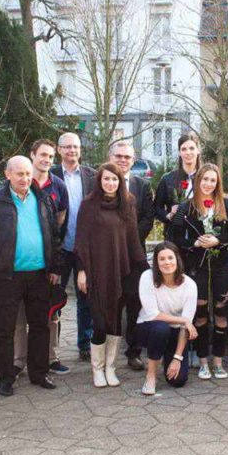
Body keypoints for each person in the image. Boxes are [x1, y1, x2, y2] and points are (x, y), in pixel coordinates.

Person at [0, 156, 63, 396]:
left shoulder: (42, 198)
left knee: (40, 326)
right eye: (19, 173)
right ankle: (5, 377)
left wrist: (55, 268)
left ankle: (39, 373)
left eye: (28, 173)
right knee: (5, 330)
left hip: (40, 275)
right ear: (8, 174)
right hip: (6, 276)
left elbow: (54, 235)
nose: (25, 178)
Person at [75, 163, 148, 387]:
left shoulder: (128, 202)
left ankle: (110, 367)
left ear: (120, 181)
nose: (110, 183)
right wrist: (81, 270)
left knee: (115, 321)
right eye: (106, 179)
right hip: (97, 271)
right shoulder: (88, 204)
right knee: (99, 322)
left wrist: (144, 268)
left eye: (114, 179)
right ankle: (97, 369)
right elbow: (81, 240)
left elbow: (133, 238)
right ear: (99, 181)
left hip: (121, 270)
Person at [172, 164, 228, 380]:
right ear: (198, 180)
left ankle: (218, 361)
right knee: (200, 315)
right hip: (196, 265)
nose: (208, 184)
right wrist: (194, 243)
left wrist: (218, 240)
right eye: (205, 179)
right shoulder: (186, 207)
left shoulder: (227, 205)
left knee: (221, 313)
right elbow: (173, 236)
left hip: (222, 265)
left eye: (213, 180)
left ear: (218, 183)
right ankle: (202, 362)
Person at [14, 139, 70, 377]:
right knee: (19, 316)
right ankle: (18, 361)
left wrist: (55, 264)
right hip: (20, 265)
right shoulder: (18, 183)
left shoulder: (58, 186)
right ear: (32, 155)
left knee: (51, 313)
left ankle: (50, 357)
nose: (47, 160)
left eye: (50, 156)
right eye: (42, 155)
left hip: (47, 263)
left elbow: (59, 225)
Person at [108, 140, 154, 371]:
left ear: (133, 160)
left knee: (135, 304)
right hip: (109, 257)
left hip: (135, 256)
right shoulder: (101, 183)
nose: (122, 160)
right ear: (110, 157)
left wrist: (130, 240)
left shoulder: (142, 185)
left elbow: (148, 218)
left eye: (127, 157)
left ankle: (133, 352)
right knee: (112, 306)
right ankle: (109, 356)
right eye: (118, 156)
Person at [51, 132, 97, 361]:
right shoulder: (50, 176)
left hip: (85, 247)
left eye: (75, 146)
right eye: (67, 146)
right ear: (59, 150)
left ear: (80, 149)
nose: (72, 150)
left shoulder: (92, 176)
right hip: (60, 247)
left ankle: (85, 344)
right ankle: (52, 350)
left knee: (85, 297)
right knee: (55, 298)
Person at [137, 242, 198, 395]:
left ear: (177, 259)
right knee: (161, 328)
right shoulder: (147, 277)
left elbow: (185, 327)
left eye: (170, 258)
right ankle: (151, 375)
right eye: (162, 259)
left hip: (176, 332)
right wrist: (184, 320)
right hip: (149, 328)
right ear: (156, 262)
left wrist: (177, 358)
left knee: (178, 381)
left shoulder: (190, 285)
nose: (167, 262)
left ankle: (167, 357)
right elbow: (153, 314)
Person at [154, 132, 202, 227]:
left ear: (198, 150)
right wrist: (168, 215)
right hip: (174, 232)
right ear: (179, 152)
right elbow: (156, 208)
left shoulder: (206, 179)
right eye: (184, 149)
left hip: (201, 232)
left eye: (192, 148)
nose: (188, 152)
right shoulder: (167, 179)